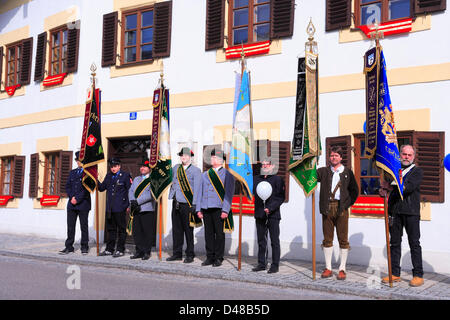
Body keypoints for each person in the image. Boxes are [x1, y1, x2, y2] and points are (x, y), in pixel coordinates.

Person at [379, 145, 424, 287]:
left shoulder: (417, 171)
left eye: (409, 155)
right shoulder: (394, 171)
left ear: (413, 157)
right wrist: (383, 190)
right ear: (400, 155)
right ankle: (395, 273)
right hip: (394, 212)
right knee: (394, 243)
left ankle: (418, 275)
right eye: (404, 154)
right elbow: (389, 189)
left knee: (414, 244)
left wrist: (390, 185)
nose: (406, 157)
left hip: (411, 212)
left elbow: (407, 188)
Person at [317, 146, 359, 280]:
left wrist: (346, 204)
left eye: (336, 156)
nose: (333, 158)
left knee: (343, 238)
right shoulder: (323, 171)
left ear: (341, 158)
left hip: (341, 209)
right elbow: (310, 177)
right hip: (326, 208)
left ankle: (342, 268)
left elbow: (354, 191)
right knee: (327, 238)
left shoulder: (347, 172)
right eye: (331, 155)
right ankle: (328, 268)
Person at [196, 149, 235, 267]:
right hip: (206, 207)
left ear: (221, 160)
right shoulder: (205, 174)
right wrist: (198, 209)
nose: (212, 159)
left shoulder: (228, 174)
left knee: (219, 234)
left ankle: (218, 257)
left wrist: (225, 210)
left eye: (215, 157)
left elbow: (229, 194)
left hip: (219, 208)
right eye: (212, 157)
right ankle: (209, 256)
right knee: (208, 234)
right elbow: (199, 193)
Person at [167, 147, 202, 263]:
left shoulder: (196, 171)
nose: (184, 157)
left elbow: (197, 189)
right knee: (177, 230)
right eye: (182, 155)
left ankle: (190, 254)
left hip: (187, 204)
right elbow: (168, 179)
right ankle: (177, 253)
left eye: (186, 155)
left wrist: (195, 204)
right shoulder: (176, 168)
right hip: (176, 202)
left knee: (188, 230)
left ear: (190, 157)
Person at [252, 157, 285, 274]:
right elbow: (251, 191)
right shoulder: (256, 179)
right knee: (261, 240)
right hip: (260, 213)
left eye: (267, 165)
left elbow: (281, 197)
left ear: (272, 166)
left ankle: (275, 265)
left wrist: (270, 208)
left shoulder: (278, 179)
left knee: (274, 240)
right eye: (263, 165)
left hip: (273, 214)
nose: (265, 166)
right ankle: (262, 263)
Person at [98, 158, 132, 258]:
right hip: (110, 208)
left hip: (120, 207)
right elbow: (101, 188)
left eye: (115, 166)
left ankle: (120, 249)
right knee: (111, 229)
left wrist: (129, 205)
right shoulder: (108, 176)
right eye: (112, 166)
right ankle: (109, 249)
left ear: (119, 166)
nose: (113, 168)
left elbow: (130, 191)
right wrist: (95, 180)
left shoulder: (125, 176)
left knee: (121, 230)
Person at [59, 151, 91, 255]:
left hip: (83, 203)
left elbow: (87, 189)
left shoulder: (88, 173)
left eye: (81, 160)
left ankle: (84, 246)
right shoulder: (72, 172)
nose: (79, 162)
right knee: (70, 226)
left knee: (84, 227)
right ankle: (69, 246)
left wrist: (77, 198)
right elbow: (68, 186)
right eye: (77, 160)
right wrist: (72, 197)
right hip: (72, 204)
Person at [128, 158, 156, 260]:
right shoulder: (136, 179)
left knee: (147, 232)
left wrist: (138, 202)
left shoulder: (154, 179)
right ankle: (138, 251)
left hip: (147, 209)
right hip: (136, 209)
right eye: (141, 167)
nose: (142, 168)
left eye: (144, 166)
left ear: (149, 168)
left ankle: (146, 252)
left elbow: (151, 194)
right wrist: (132, 202)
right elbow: (131, 191)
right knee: (137, 232)